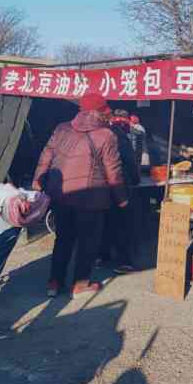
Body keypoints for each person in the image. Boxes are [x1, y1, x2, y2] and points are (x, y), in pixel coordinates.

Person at [33, 93, 128, 298]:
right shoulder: (106, 134)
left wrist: (37, 183)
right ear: (101, 111)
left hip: (61, 195)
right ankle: (80, 284)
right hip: (91, 199)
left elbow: (46, 156)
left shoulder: (62, 128)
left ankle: (54, 283)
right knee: (88, 242)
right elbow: (114, 170)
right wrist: (121, 198)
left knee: (63, 239)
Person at [99, 110, 141, 274]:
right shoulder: (118, 135)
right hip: (117, 185)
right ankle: (124, 261)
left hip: (97, 187)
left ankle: (102, 256)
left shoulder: (91, 133)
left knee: (103, 221)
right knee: (121, 223)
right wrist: (135, 179)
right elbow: (129, 161)